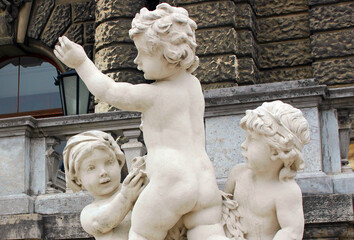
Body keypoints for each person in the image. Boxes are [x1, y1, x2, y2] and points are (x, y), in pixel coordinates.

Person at [55, 3, 228, 240]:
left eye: (142, 53)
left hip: (172, 178)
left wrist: (81, 63)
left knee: (142, 233)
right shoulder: (194, 86)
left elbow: (109, 91)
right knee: (208, 233)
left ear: (169, 55)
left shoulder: (154, 95)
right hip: (204, 178)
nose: (137, 61)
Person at [224, 101, 310, 240]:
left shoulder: (286, 191)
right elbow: (219, 208)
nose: (243, 145)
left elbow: (291, 232)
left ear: (276, 151)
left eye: (251, 139)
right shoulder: (238, 174)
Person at [63, 130, 146, 240]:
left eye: (109, 162)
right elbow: (100, 223)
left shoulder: (137, 188)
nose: (103, 172)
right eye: (91, 168)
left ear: (119, 162)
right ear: (78, 180)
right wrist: (125, 198)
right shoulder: (90, 211)